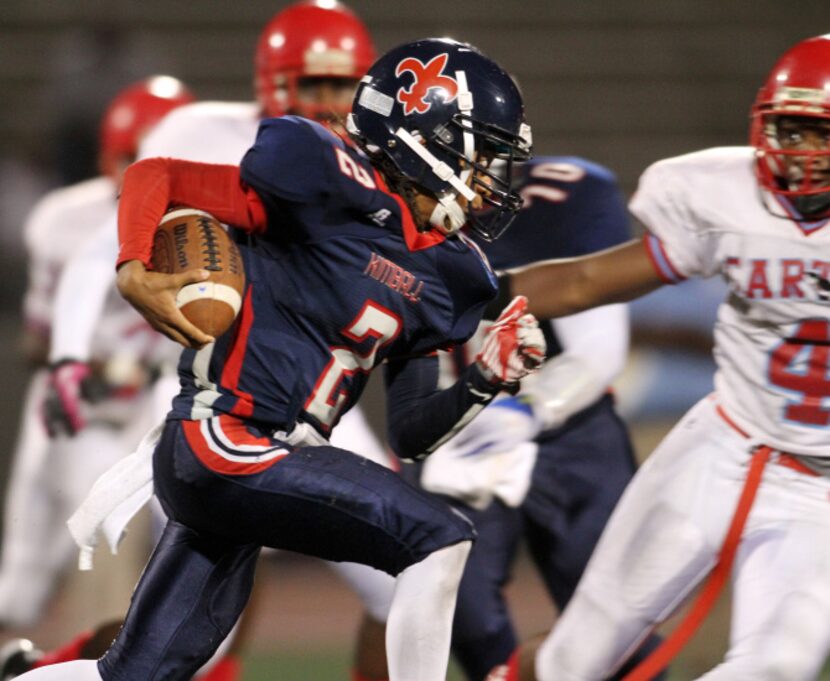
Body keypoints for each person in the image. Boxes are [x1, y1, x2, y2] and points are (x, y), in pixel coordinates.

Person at [15, 37, 544, 681]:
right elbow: (158, 176)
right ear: (424, 133)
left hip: (263, 459)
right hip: (225, 438)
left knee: (133, 674)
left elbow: (411, 429)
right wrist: (132, 267)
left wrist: (487, 376)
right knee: (441, 537)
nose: (493, 174)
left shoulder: (453, 273)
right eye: (482, 151)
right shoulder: (320, 174)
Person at [32, 4, 396, 680]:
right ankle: (47, 666)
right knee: (184, 628)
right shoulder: (205, 132)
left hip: (314, 399)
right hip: (213, 390)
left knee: (400, 582)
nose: (331, 101)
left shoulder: (373, 161)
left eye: (345, 84)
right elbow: (97, 249)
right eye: (315, 83)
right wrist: (67, 356)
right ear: (276, 79)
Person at [485, 33, 830, 681]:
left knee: (779, 666)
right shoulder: (729, 197)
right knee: (575, 657)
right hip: (720, 449)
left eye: (819, 135)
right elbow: (590, 280)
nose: (798, 153)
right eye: (789, 130)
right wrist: (469, 294)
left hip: (821, 489)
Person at [411, 155, 664, 681]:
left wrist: (526, 408)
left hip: (573, 432)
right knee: (465, 622)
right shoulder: (375, 206)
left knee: (620, 627)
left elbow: (599, 346)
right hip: (455, 430)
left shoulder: (569, 195)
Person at [0, 74, 194, 663]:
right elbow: (36, 342)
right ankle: (49, 665)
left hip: (160, 401)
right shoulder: (65, 220)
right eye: (140, 159)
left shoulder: (208, 228)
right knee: (23, 584)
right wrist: (98, 367)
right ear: (114, 157)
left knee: (225, 528)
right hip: (80, 407)